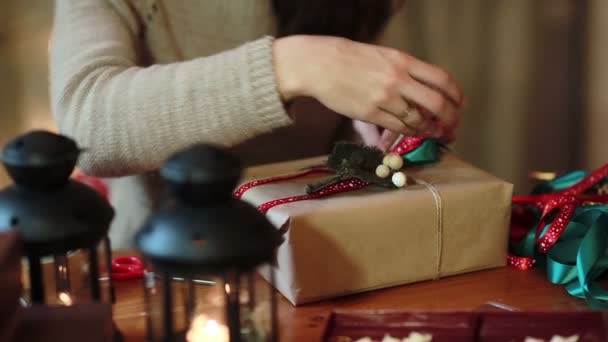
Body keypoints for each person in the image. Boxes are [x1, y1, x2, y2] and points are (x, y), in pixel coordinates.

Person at [50, 0, 465, 248]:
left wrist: (371, 122)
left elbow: (339, 99)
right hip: (170, 263)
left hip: (330, 252)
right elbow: (87, 128)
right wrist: (293, 65)